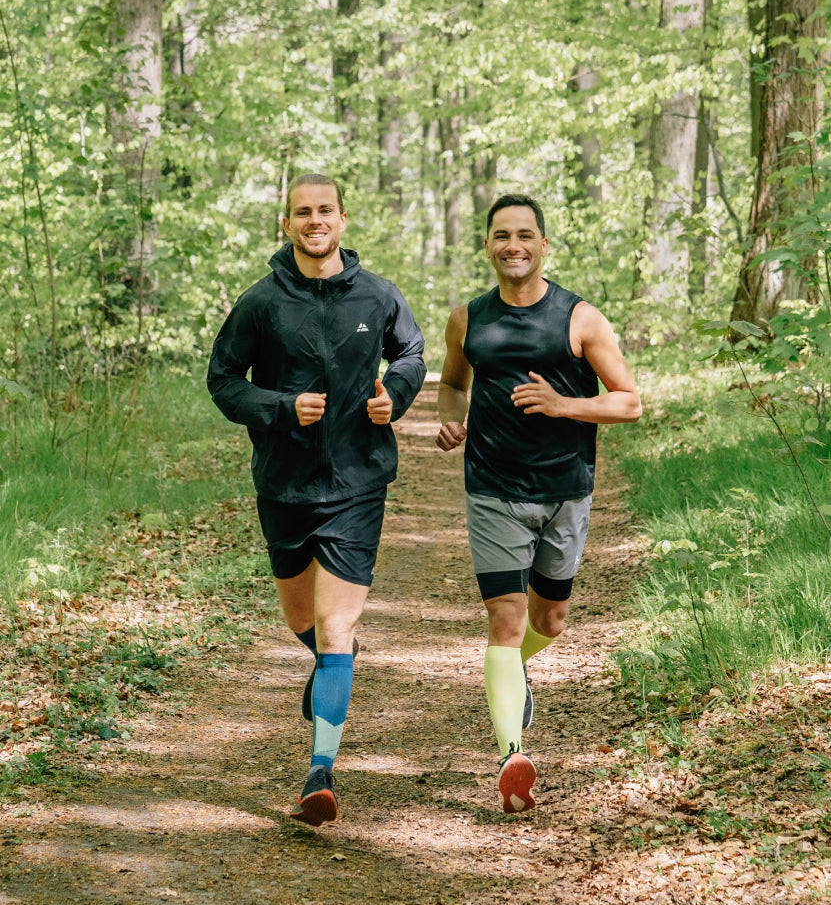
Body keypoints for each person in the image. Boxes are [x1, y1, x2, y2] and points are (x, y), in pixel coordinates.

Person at [207, 173, 425, 826]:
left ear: (342, 219)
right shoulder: (261, 304)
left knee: (336, 625)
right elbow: (223, 381)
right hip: (283, 483)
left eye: (323, 210)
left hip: (358, 480)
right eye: (301, 212)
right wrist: (278, 408)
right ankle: (336, 663)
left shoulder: (379, 296)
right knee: (301, 619)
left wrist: (397, 395)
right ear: (287, 225)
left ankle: (319, 771)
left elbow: (410, 353)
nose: (313, 221)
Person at [435, 193, 641, 814]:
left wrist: (564, 406)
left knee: (548, 622)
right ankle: (510, 755)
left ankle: (510, 674)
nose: (513, 245)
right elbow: (451, 383)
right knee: (505, 620)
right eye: (501, 235)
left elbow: (629, 401)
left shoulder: (581, 319)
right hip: (494, 488)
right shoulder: (467, 319)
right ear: (489, 246)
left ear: (544, 244)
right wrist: (451, 419)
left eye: (525, 234)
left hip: (565, 490)